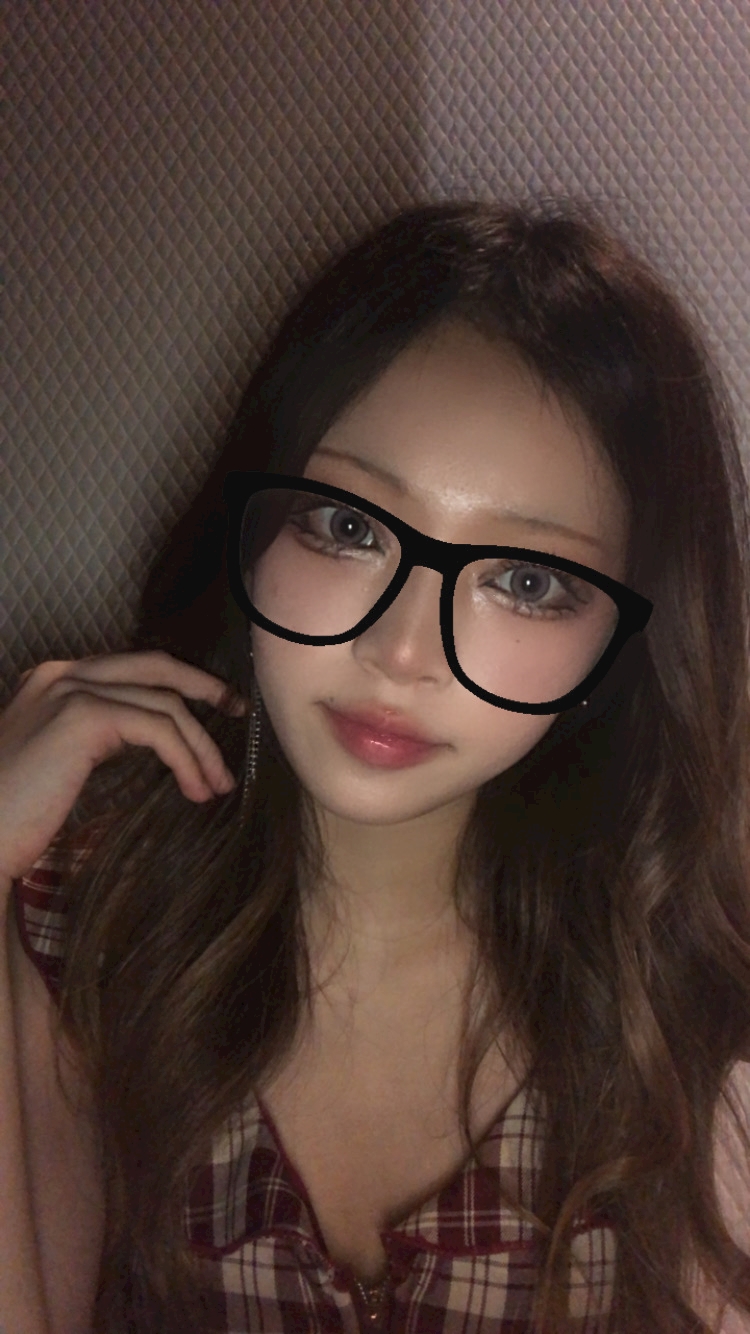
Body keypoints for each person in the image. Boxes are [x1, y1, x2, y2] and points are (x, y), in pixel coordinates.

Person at [1, 198, 749, 1334]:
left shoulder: (688, 998)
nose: (402, 651)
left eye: (527, 581)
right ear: (258, 517)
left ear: (625, 645)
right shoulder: (80, 912)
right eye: (349, 527)